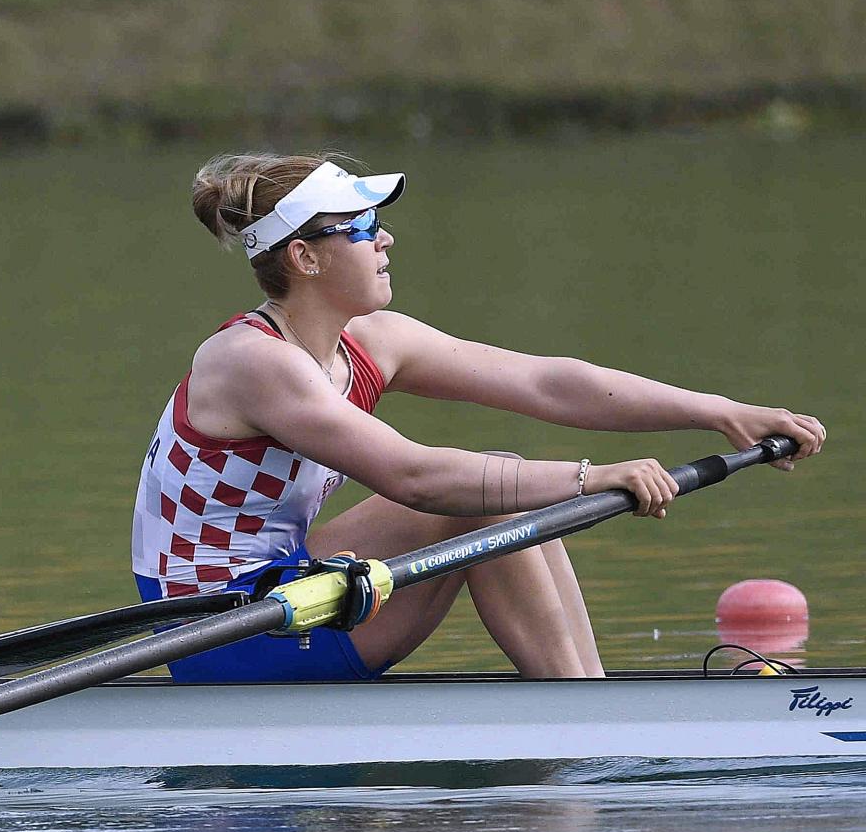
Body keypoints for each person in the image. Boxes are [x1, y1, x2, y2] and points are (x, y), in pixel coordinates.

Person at [132, 153, 823, 682]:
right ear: (305, 257)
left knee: (504, 481)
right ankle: (586, 710)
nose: (386, 239)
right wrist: (593, 477)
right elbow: (415, 478)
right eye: (363, 227)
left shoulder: (371, 343)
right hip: (214, 627)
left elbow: (550, 384)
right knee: (487, 500)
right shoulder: (250, 361)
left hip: (285, 585)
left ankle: (587, 692)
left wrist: (721, 412)